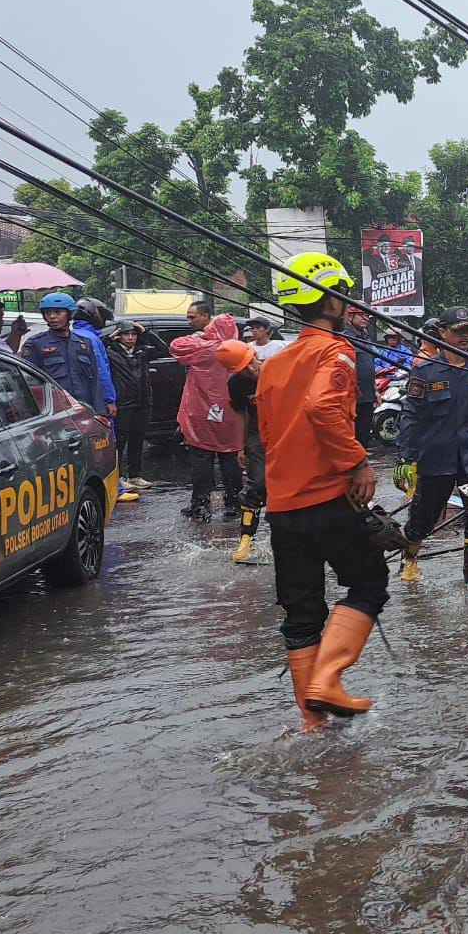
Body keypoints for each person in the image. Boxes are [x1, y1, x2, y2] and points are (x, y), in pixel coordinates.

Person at [258, 251, 387, 724]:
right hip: (328, 496)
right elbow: (321, 409)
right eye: (344, 297)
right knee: (370, 582)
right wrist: (357, 463)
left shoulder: (274, 362)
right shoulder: (334, 353)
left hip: (282, 504)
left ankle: (312, 722)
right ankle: (328, 680)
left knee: (301, 611)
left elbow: (268, 434)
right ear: (330, 304)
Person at [395, 306, 468, 591]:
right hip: (436, 457)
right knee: (424, 518)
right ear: (442, 333)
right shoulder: (425, 371)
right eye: (457, 332)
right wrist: (406, 457)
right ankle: (409, 558)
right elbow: (410, 415)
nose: (464, 336)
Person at [171, 300, 244, 521]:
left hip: (201, 415)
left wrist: (200, 337)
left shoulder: (201, 348)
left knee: (201, 459)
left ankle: (200, 505)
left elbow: (175, 346)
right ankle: (234, 503)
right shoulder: (239, 350)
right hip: (230, 414)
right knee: (230, 459)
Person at [75, 297, 136, 502]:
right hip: (95, 402)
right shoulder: (91, 339)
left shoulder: (73, 335)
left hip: (74, 402)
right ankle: (115, 489)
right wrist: (110, 400)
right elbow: (102, 372)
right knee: (105, 444)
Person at [216, 338, 268, 563]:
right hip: (257, 433)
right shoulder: (236, 383)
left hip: (288, 429)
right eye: (242, 369)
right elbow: (240, 414)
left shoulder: (277, 370)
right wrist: (240, 446)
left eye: (251, 362)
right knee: (257, 484)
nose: (250, 369)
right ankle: (246, 541)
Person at [22, 293, 107, 417]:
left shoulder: (84, 343)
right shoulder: (35, 344)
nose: (52, 317)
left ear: (69, 314)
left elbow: (95, 381)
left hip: (84, 411)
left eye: (58, 312)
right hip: (54, 414)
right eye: (48, 313)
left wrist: (100, 413)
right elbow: (28, 383)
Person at [105, 322, 153, 491]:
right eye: (126, 334)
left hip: (142, 401)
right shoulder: (111, 352)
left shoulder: (142, 352)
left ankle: (135, 475)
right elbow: (96, 350)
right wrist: (109, 338)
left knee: (137, 439)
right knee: (120, 441)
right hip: (123, 403)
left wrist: (145, 332)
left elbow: (163, 349)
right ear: (119, 335)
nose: (130, 338)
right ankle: (118, 477)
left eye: (133, 334)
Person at [341, 303, 379, 447]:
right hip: (351, 397)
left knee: (364, 435)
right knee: (352, 436)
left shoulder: (365, 336)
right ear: (350, 316)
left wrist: (375, 390)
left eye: (367, 315)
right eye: (362, 315)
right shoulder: (344, 337)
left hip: (367, 394)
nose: (365, 318)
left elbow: (369, 365)